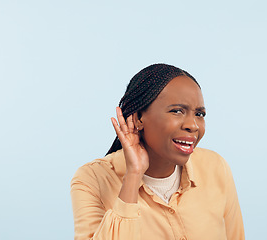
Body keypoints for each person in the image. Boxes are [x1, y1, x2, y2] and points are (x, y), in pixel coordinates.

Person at [70, 63, 245, 240]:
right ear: (138, 118)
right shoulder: (92, 179)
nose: (192, 125)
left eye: (199, 114)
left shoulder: (215, 167)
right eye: (177, 111)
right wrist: (134, 174)